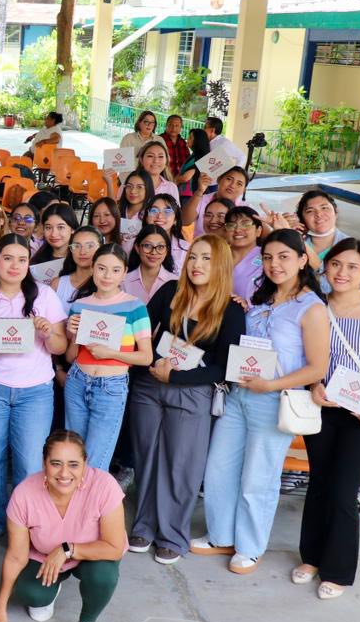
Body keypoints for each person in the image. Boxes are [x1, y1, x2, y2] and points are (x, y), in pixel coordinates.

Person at [196, 229, 330, 573]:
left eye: (284, 256)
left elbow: (318, 367)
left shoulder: (311, 309)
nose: (275, 264)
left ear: (303, 260)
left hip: (275, 401)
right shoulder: (260, 302)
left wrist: (271, 384)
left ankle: (250, 547)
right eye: (268, 257)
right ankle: (221, 536)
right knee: (219, 468)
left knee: (259, 477)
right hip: (239, 395)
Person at [129, 235, 245, 564]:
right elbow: (142, 333)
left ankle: (172, 535)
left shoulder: (230, 310)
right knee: (147, 458)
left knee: (181, 465)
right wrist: (153, 366)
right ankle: (144, 526)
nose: (197, 265)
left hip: (192, 392)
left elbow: (226, 367)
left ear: (220, 264)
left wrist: (176, 377)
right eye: (193, 257)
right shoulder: (170, 292)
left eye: (206, 259)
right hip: (150, 387)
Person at [0, 430, 128, 622]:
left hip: (91, 555)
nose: (64, 473)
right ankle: (52, 588)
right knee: (30, 594)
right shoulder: (24, 494)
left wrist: (67, 549)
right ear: (44, 464)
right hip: (44, 557)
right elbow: (16, 557)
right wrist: (0, 607)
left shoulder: (104, 486)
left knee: (103, 575)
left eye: (73, 464)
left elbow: (113, 546)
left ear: (85, 465)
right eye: (56, 464)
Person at [0, 234, 68, 546]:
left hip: (34, 391)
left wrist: (49, 333)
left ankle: (26, 525)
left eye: (22, 259)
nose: (15, 265)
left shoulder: (45, 296)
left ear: (29, 264)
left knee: (31, 463)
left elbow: (60, 345)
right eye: (8, 258)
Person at [298, 238, 360, 598]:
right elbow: (302, 353)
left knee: (343, 488)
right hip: (324, 406)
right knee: (319, 483)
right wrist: (314, 384)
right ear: (324, 266)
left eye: (352, 267)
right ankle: (312, 557)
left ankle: (338, 571)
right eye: (335, 264)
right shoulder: (315, 305)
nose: (342, 273)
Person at [63, 243, 153, 470]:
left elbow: (146, 357)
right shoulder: (79, 305)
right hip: (77, 380)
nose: (107, 276)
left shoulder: (135, 307)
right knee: (73, 453)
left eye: (115, 270)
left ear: (124, 273)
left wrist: (110, 353)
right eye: (102, 268)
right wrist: (72, 334)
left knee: (96, 460)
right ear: (92, 268)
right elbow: (70, 356)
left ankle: (92, 505)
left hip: (111, 386)